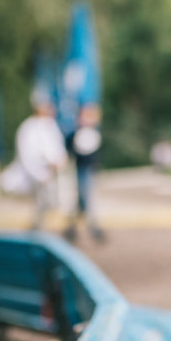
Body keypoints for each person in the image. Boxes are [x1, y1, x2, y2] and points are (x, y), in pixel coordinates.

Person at [9, 94, 67, 230]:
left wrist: (58, 161)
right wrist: (39, 174)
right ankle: (37, 232)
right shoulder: (28, 128)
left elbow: (56, 147)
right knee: (41, 204)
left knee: (51, 204)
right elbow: (27, 154)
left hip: (50, 173)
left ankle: (40, 231)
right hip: (37, 174)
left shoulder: (50, 125)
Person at [63, 103, 104, 243]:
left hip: (88, 169)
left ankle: (72, 228)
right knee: (85, 198)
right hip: (82, 169)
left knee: (83, 199)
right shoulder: (78, 132)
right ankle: (92, 229)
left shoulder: (91, 132)